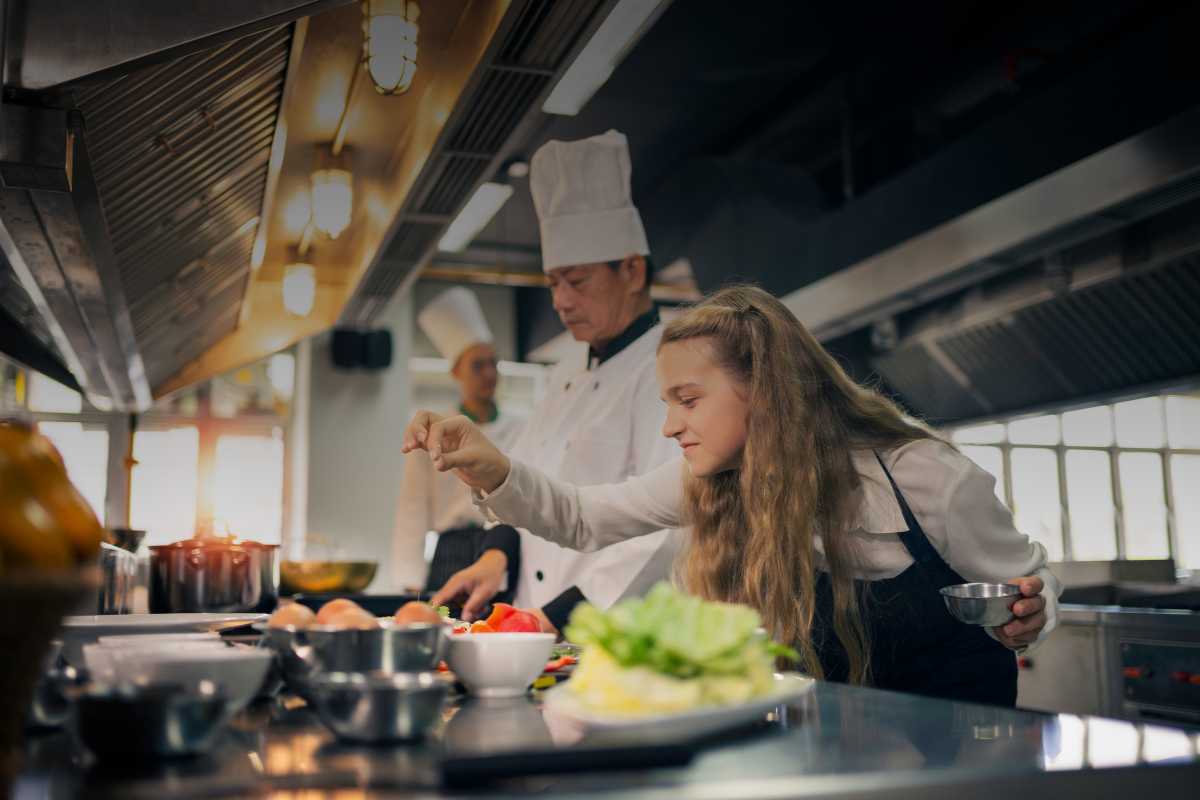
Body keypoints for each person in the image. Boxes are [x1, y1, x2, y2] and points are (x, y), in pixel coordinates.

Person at [404, 285, 1062, 706]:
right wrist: (490, 468)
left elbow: (1028, 583)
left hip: (963, 762)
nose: (669, 425)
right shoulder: (711, 481)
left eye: (688, 400)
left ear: (765, 390)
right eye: (668, 402)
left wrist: (1035, 611)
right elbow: (581, 516)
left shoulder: (923, 476)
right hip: (841, 758)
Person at [429, 130, 680, 634]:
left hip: (603, 628)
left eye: (578, 282)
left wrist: (557, 618)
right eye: (553, 284)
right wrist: (496, 558)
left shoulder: (670, 369)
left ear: (631, 271)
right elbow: (525, 476)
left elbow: (664, 534)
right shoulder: (566, 375)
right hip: (531, 623)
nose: (561, 301)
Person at [391, 287, 524, 593]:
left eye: (494, 363)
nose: (489, 373)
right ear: (455, 372)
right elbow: (413, 508)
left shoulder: (521, 428)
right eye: (478, 365)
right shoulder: (434, 430)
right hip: (452, 551)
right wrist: (409, 582)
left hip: (501, 548)